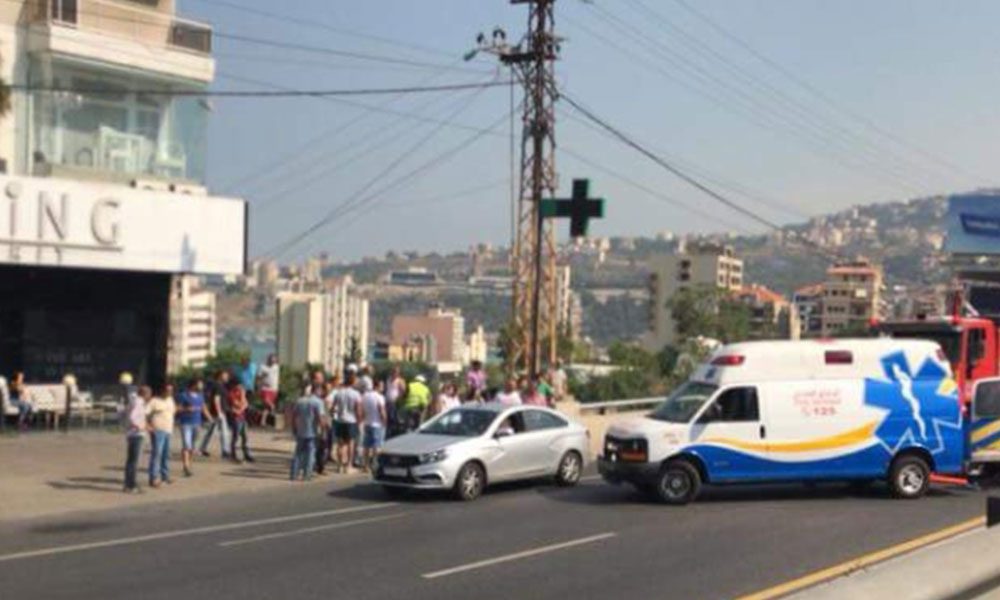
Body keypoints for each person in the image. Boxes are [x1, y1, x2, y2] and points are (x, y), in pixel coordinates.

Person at [290, 384, 326, 482]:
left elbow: (293, 416)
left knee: (298, 453)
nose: (322, 392)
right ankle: (307, 475)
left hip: (301, 431)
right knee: (310, 454)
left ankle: (294, 474)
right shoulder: (318, 402)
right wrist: (323, 431)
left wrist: (294, 428)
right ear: (317, 390)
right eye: (321, 390)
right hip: (313, 431)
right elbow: (320, 417)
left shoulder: (300, 400)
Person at [145, 383, 176, 488]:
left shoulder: (170, 400)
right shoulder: (154, 401)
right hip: (158, 430)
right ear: (162, 390)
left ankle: (165, 476)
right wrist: (148, 426)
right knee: (157, 454)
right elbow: (145, 414)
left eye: (171, 390)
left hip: (168, 430)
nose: (169, 392)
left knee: (165, 454)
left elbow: (172, 412)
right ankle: (153, 478)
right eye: (167, 390)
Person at [331, 373, 362, 473]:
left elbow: (333, 408)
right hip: (351, 420)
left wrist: (334, 415)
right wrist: (359, 420)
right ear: (352, 382)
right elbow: (358, 409)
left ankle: (339, 466)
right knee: (350, 443)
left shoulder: (339, 393)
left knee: (340, 444)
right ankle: (348, 465)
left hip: (340, 420)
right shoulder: (356, 394)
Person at [178, 378, 208, 477]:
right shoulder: (183, 395)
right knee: (186, 445)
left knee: (192, 447)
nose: (201, 386)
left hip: (197, 423)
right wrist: (186, 409)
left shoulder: (200, 396)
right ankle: (186, 466)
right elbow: (177, 408)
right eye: (200, 384)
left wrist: (210, 418)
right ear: (193, 385)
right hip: (185, 423)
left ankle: (189, 464)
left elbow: (203, 408)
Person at [122, 381, 148, 494]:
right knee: (133, 461)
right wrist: (140, 427)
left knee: (131, 460)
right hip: (136, 434)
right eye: (149, 393)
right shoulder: (139, 403)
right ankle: (131, 485)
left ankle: (128, 483)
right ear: (145, 394)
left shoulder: (135, 401)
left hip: (132, 433)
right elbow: (132, 417)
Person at [200, 370, 231, 459]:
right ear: (220, 376)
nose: (227, 377)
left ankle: (203, 448)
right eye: (225, 375)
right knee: (224, 432)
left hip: (216, 412)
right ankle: (225, 451)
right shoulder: (218, 386)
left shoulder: (219, 385)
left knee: (210, 431)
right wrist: (219, 412)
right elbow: (216, 399)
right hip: (219, 412)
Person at [358, 379, 387, 471]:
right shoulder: (380, 397)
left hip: (367, 423)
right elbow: (381, 410)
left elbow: (361, 410)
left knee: (366, 446)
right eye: (382, 386)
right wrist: (385, 421)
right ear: (377, 386)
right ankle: (375, 464)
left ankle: (365, 465)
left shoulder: (365, 396)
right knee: (376, 446)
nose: (383, 388)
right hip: (377, 424)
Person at [228, 381, 255, 463]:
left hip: (243, 418)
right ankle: (233, 454)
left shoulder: (241, 393)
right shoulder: (232, 394)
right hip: (236, 418)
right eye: (240, 386)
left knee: (245, 437)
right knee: (235, 437)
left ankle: (247, 454)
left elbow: (246, 404)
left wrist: (241, 408)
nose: (241, 388)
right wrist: (243, 397)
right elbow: (238, 404)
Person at [258, 354, 280, 427]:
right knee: (268, 403)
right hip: (265, 388)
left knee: (266, 407)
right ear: (268, 359)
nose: (273, 362)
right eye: (271, 360)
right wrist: (263, 377)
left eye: (274, 360)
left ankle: (263, 421)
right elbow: (258, 377)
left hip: (274, 389)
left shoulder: (276, 367)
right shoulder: (262, 367)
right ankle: (273, 409)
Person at [384, 367, 405, 437]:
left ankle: (392, 433)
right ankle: (388, 432)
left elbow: (403, 391)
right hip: (387, 400)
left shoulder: (400, 381)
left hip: (394, 401)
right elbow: (386, 389)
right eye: (393, 372)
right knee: (388, 417)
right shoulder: (388, 379)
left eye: (396, 372)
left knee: (393, 418)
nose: (394, 373)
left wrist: (399, 399)